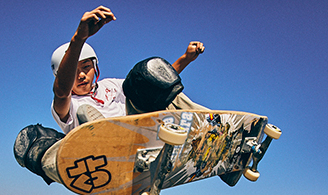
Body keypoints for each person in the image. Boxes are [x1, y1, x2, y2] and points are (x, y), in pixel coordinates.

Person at [14, 6, 206, 184]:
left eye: (86, 67)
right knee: (83, 112)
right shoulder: (68, 105)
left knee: (143, 77)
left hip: (140, 136)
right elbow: (61, 92)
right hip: (99, 159)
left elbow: (154, 86)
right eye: (74, 72)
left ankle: (209, 125)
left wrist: (185, 59)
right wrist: (79, 39)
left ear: (95, 67)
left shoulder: (111, 84)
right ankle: (109, 140)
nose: (81, 75)